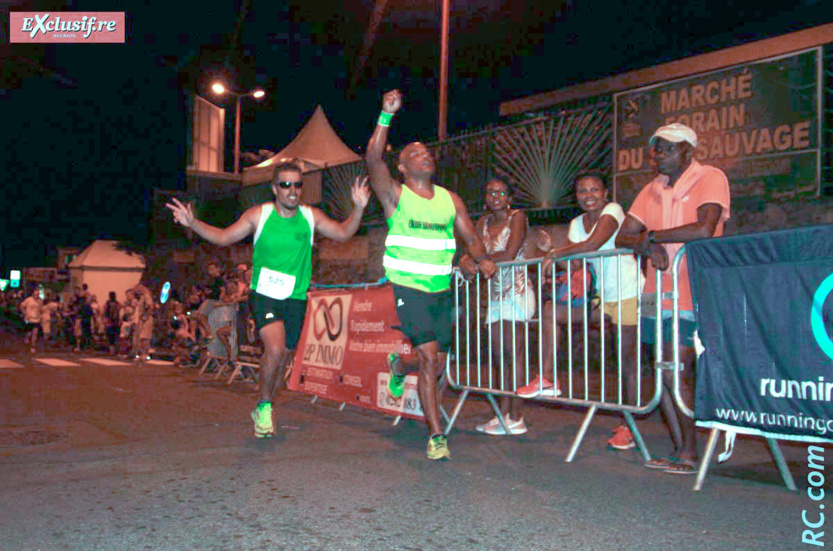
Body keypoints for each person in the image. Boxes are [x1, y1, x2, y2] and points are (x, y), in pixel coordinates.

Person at [166, 162, 370, 438]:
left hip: (296, 298)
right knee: (274, 349)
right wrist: (193, 223)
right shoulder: (258, 215)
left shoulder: (311, 217)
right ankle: (263, 407)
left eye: (298, 184)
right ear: (275, 188)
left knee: (284, 356)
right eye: (285, 185)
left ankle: (266, 403)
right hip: (265, 295)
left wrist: (357, 207)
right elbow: (225, 237)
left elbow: (344, 233)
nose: (292, 191)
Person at [365, 89, 497, 460]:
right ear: (403, 167)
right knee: (428, 359)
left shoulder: (450, 199)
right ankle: (436, 435)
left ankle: (398, 363)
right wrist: (385, 115)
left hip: (442, 290)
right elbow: (373, 157)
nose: (426, 155)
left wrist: (481, 258)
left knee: (436, 363)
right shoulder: (394, 195)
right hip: (410, 289)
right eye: (415, 154)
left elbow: (471, 238)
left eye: (428, 152)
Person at [616, 122, 730, 475]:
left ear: (688, 152)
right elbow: (623, 236)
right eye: (656, 148)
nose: (659, 154)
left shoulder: (710, 177)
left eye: (668, 148)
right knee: (661, 370)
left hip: (691, 290)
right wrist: (649, 243)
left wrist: (651, 238)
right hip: (654, 293)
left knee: (678, 369)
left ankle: (691, 452)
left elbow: (703, 228)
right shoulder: (651, 189)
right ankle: (680, 449)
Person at [528, 172, 643, 450]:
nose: (588, 195)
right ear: (576, 196)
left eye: (594, 190)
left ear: (605, 193)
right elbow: (577, 265)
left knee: (627, 363)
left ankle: (629, 426)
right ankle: (546, 377)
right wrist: (552, 250)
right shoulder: (576, 225)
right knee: (551, 310)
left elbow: (592, 245)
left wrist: (555, 253)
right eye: (582, 191)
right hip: (602, 298)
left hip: (628, 293)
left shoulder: (613, 211)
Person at [464, 179, 535, 436]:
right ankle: (502, 413)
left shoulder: (518, 217)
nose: (495, 195)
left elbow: (509, 252)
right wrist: (467, 259)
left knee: (514, 354)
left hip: (517, 292)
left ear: (509, 198)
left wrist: (476, 260)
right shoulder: (482, 222)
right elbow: (470, 249)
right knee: (499, 358)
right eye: (490, 191)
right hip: (494, 296)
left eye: (501, 192)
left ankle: (517, 416)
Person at [20, 287, 43, 354]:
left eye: (38, 294)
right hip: (29, 318)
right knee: (29, 333)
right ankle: (26, 338)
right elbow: (22, 306)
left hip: (36, 319)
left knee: (35, 333)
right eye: (35, 294)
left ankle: (33, 347)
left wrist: (40, 315)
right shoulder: (28, 300)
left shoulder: (40, 301)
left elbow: (40, 309)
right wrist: (24, 313)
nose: (37, 296)